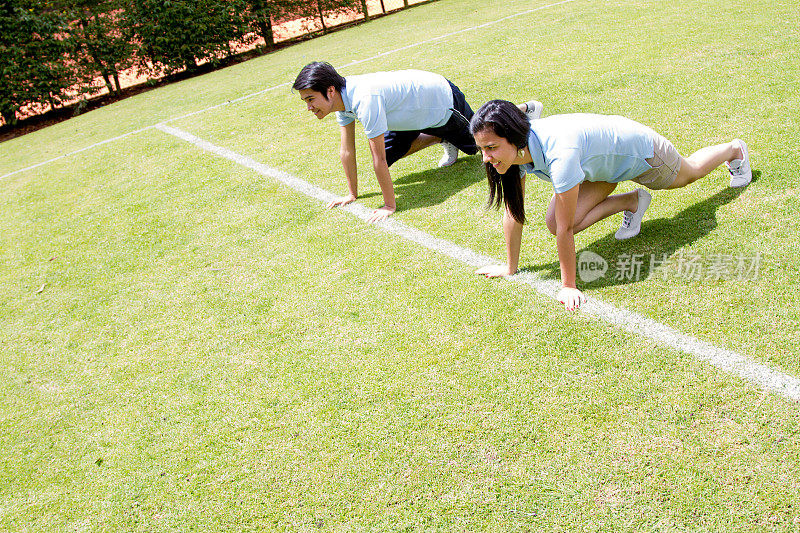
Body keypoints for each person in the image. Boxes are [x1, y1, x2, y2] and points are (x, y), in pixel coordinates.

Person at [469, 99, 752, 311]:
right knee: (553, 223)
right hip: (600, 167)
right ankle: (632, 202)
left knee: (689, 173)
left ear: (514, 139)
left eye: (491, 147)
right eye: (482, 148)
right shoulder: (511, 155)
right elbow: (512, 211)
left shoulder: (560, 155)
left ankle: (733, 149)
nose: (485, 157)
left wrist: (569, 286)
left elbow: (568, 228)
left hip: (638, 152)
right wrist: (510, 266)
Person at [293, 62, 543, 223]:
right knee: (389, 153)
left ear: (330, 91)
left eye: (310, 99)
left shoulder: (364, 99)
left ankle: (520, 110)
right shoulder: (341, 101)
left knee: (476, 142)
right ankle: (444, 136)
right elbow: (347, 150)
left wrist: (389, 205)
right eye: (305, 100)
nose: (309, 107)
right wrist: (351, 194)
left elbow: (375, 159)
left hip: (440, 101)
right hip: (410, 115)